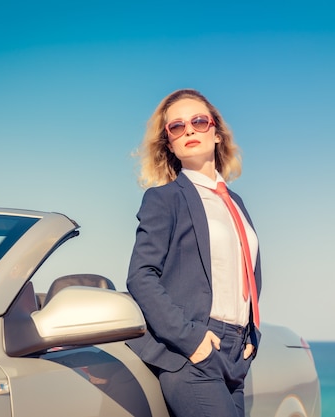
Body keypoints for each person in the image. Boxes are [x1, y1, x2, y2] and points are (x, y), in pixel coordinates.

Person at [126, 88, 262, 417]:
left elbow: (248, 274)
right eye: (176, 126)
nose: (189, 129)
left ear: (216, 132)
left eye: (199, 121)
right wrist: (191, 340)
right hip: (192, 352)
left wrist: (252, 335)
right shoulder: (165, 199)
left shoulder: (237, 204)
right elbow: (141, 276)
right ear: (169, 143)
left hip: (235, 357)